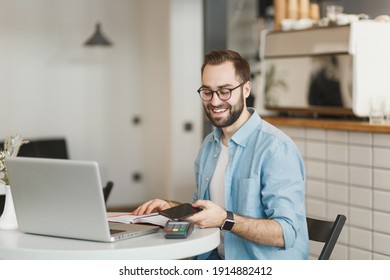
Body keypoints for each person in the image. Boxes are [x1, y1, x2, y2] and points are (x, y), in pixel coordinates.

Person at [133, 50, 309, 260]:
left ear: (246, 89)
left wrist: (226, 220)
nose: (215, 101)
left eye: (225, 91)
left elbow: (285, 233)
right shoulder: (209, 145)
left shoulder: (276, 148)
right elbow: (204, 210)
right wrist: (173, 208)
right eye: (207, 92)